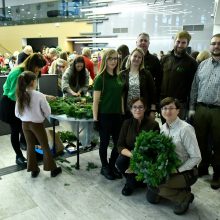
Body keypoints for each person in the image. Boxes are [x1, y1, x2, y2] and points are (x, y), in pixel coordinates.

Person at [146, 97, 201, 215]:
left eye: (171, 108)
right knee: (151, 193)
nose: (167, 111)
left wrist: (177, 169)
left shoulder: (185, 129)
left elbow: (197, 157)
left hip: (186, 171)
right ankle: (176, 189)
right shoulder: (163, 128)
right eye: (164, 108)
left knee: (157, 186)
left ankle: (184, 196)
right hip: (169, 168)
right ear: (160, 111)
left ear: (178, 110)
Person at [0, 53, 46, 167]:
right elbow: (11, 92)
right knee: (16, 130)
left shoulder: (31, 73)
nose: (38, 71)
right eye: (38, 68)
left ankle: (37, 153)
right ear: (33, 65)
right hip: (10, 104)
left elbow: (32, 90)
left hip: (22, 103)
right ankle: (19, 156)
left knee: (27, 130)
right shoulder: (17, 73)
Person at [15, 71, 62, 178]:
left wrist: (25, 117)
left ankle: (33, 170)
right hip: (37, 125)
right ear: (32, 82)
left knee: (30, 146)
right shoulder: (39, 95)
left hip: (25, 125)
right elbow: (47, 112)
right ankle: (52, 169)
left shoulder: (20, 95)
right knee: (44, 146)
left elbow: (17, 113)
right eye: (36, 80)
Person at [189, 33, 220, 189]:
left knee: (218, 143)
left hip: (218, 111)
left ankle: (217, 173)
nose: (216, 46)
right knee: (200, 141)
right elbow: (195, 87)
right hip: (201, 109)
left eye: (219, 43)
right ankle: (203, 166)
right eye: (213, 43)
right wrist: (192, 108)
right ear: (210, 46)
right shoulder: (202, 65)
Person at [116, 97, 159, 196]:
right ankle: (131, 182)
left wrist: (141, 156)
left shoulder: (153, 124)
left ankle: (135, 181)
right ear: (131, 109)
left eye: (140, 107)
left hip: (146, 156)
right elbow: (120, 145)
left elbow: (154, 148)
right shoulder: (126, 123)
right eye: (134, 107)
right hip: (130, 154)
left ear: (145, 108)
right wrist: (132, 155)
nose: (137, 110)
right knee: (120, 161)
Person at [93, 49, 124, 180]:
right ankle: (104, 167)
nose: (113, 61)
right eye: (110, 58)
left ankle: (111, 165)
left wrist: (122, 113)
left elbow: (121, 97)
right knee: (104, 143)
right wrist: (95, 119)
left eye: (115, 58)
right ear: (105, 60)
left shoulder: (119, 77)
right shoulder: (100, 79)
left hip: (117, 116)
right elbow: (95, 101)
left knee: (118, 144)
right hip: (105, 116)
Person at [160, 30, 198, 120]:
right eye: (178, 42)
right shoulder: (165, 59)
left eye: (183, 43)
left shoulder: (191, 63)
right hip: (163, 102)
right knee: (164, 129)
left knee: (178, 130)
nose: (180, 45)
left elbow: (193, 87)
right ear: (174, 42)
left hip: (180, 104)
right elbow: (158, 80)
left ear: (187, 44)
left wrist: (191, 107)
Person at [122, 33, 162, 107]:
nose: (143, 42)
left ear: (149, 43)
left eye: (145, 41)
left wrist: (154, 106)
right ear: (136, 42)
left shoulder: (154, 60)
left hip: (145, 104)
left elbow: (158, 83)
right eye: (141, 40)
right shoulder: (126, 60)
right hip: (126, 106)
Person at [119, 47, 157, 119]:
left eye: (139, 57)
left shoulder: (146, 74)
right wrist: (121, 110)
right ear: (130, 57)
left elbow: (153, 93)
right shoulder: (122, 74)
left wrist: (153, 110)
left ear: (142, 60)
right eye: (135, 56)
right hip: (126, 111)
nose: (137, 59)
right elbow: (120, 94)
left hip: (142, 110)